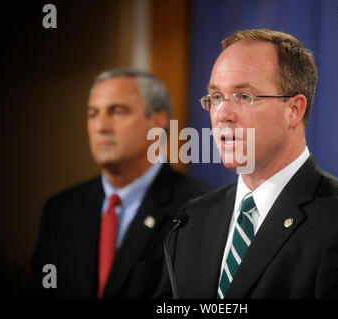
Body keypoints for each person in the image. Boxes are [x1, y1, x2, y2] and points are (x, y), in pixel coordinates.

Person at [154, 29, 338, 298]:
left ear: (294, 110)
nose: (222, 114)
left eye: (244, 96)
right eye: (216, 97)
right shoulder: (192, 219)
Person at [29, 69, 212, 299]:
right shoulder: (60, 210)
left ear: (157, 122)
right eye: (93, 114)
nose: (101, 127)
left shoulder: (199, 209)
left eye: (117, 112)